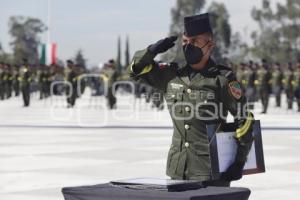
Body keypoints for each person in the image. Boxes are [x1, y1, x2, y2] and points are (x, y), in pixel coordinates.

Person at [129, 13, 254, 186]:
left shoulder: (222, 79)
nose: (189, 46)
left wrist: (240, 161)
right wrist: (151, 51)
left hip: (211, 171)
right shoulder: (171, 75)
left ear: (210, 45)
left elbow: (245, 119)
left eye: (195, 41)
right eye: (185, 42)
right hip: (178, 168)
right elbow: (135, 70)